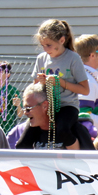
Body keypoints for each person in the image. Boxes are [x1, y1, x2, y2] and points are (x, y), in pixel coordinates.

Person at [28, 19, 89, 150]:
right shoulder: (41, 58)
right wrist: (40, 82)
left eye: (48, 45)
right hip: (45, 106)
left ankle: (76, 159)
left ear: (62, 40)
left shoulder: (73, 58)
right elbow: (35, 88)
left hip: (67, 105)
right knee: (24, 139)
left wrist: (61, 83)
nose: (45, 49)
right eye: (42, 45)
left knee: (62, 130)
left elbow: (85, 90)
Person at [74, 33, 98, 137]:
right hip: (91, 138)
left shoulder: (90, 76)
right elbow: (84, 114)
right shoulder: (87, 79)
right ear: (92, 55)